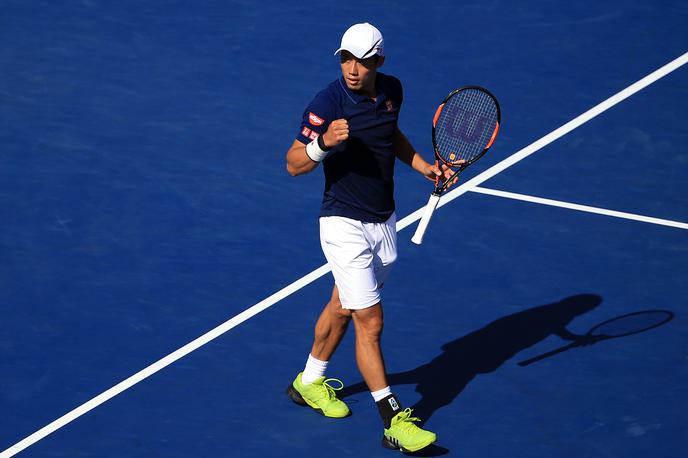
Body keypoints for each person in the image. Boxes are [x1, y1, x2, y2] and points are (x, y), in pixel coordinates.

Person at [284, 22, 457, 453]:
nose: (352, 68)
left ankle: (308, 382)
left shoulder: (391, 90)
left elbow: (389, 134)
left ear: (379, 62)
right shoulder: (327, 102)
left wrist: (422, 165)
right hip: (342, 224)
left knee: (343, 305)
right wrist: (322, 144)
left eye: (362, 60)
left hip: (384, 222)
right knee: (371, 321)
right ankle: (394, 420)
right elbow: (292, 163)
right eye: (346, 58)